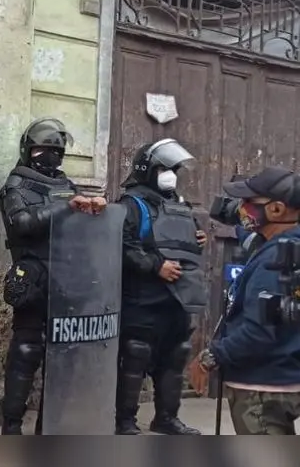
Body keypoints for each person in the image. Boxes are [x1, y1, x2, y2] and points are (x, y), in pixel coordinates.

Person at [0, 117, 107, 435]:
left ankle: (50, 426)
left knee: (63, 357)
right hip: (33, 275)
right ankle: (12, 426)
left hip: (67, 278)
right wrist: (65, 208)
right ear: (29, 149)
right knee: (26, 350)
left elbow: (81, 228)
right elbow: (21, 223)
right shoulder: (16, 184)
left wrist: (95, 210)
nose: (51, 157)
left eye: (57, 151)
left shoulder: (65, 184)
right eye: (45, 149)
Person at [193, 167, 300, 435]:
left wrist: (210, 357)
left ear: (276, 210)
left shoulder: (273, 263)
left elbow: (259, 332)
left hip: (262, 390)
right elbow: (248, 235)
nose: (241, 209)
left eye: (248, 203)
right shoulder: (286, 246)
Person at [114, 138, 205, 435]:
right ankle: (125, 420)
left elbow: (180, 244)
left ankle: (166, 418)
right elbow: (121, 245)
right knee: (136, 354)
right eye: (165, 168)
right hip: (143, 298)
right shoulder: (132, 203)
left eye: (174, 169)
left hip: (177, 298)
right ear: (148, 170)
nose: (171, 175)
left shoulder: (178, 204)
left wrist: (197, 240)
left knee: (175, 354)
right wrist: (155, 265)